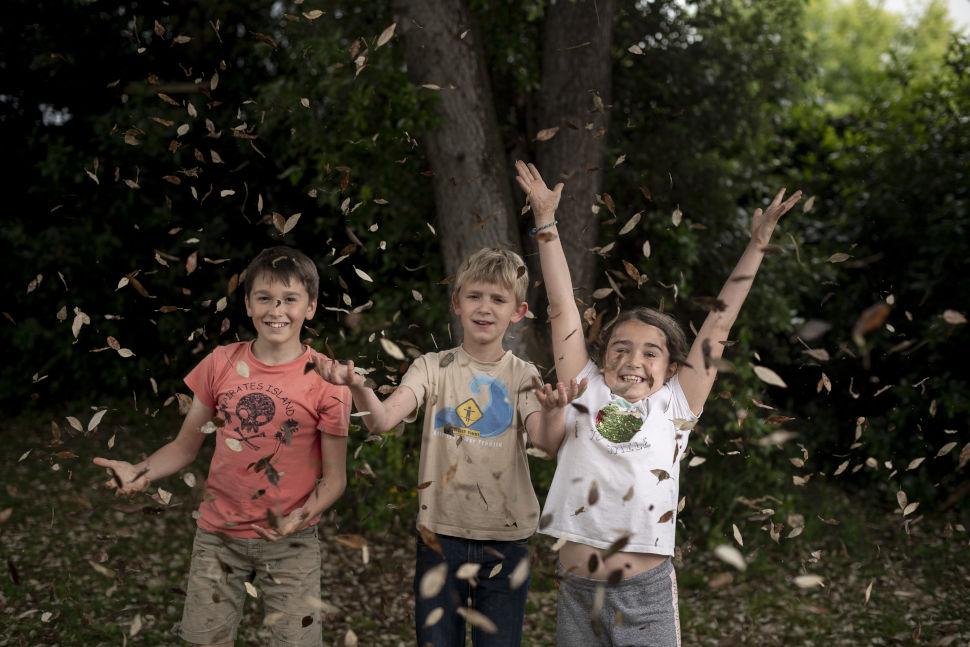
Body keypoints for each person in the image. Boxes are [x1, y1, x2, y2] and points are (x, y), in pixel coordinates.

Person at [514, 160, 801, 646]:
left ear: (671, 369)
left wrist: (758, 244)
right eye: (620, 348)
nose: (633, 360)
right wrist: (545, 221)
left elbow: (720, 324)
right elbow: (561, 306)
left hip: (643, 596)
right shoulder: (583, 385)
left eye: (652, 352)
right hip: (578, 591)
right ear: (602, 357)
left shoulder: (675, 406)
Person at [317, 247, 585, 647]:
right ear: (457, 303)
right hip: (440, 538)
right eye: (475, 296)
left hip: (505, 542)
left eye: (498, 299)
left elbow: (547, 443)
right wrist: (357, 386)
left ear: (518, 311)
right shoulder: (430, 367)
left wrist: (554, 411)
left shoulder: (523, 374)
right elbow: (382, 420)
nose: (485, 308)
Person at [93, 246, 350, 647]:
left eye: (290, 299)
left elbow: (334, 480)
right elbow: (184, 447)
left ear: (311, 307)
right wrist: (139, 470)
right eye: (264, 298)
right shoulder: (220, 363)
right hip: (218, 537)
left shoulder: (329, 383)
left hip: (290, 543)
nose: (275, 309)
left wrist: (302, 515)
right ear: (248, 304)